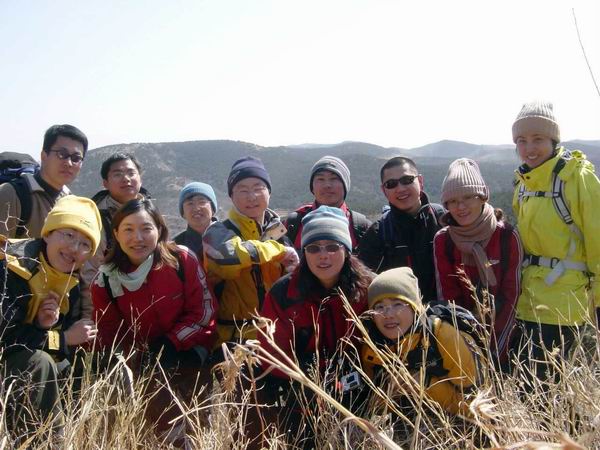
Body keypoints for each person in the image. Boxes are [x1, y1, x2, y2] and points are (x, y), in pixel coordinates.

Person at [258, 206, 373, 446]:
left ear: (346, 250)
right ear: (304, 252)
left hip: (364, 389)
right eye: (313, 248)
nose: (323, 255)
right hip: (304, 392)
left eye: (332, 247)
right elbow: (271, 353)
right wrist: (312, 376)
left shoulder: (369, 289)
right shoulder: (284, 294)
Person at [510, 101, 600, 383]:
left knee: (549, 385)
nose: (529, 148)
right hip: (527, 299)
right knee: (528, 384)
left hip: (565, 303)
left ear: (553, 140)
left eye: (538, 139)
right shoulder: (524, 183)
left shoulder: (577, 178)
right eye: (521, 141)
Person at [0, 195, 101, 439]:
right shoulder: (9, 267)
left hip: (15, 365)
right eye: (69, 235)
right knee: (39, 362)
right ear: (47, 234)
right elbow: (6, 340)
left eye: (85, 244)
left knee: (86, 365)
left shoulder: (70, 283)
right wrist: (63, 338)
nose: (74, 248)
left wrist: (42, 326)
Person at [92, 198, 216, 366]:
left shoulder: (182, 260)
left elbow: (204, 312)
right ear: (116, 234)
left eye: (146, 229)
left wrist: (170, 343)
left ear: (159, 230)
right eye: (128, 229)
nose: (138, 238)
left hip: (188, 352)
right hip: (140, 364)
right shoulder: (106, 280)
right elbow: (108, 332)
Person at [361, 267, 484, 425]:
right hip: (410, 427)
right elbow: (371, 409)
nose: (388, 314)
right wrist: (389, 391)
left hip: (460, 427)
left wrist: (425, 384)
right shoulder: (372, 348)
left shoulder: (443, 336)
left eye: (398, 304)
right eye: (379, 307)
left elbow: (479, 407)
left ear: (415, 308)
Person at [433, 158, 522, 368]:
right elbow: (449, 299)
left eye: (468, 197)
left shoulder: (506, 236)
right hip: (464, 342)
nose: (460, 207)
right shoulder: (444, 240)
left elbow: (512, 297)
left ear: (483, 196)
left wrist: (495, 352)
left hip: (508, 340)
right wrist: (468, 348)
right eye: (452, 201)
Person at [203, 156, 298, 349]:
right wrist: (278, 250)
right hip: (234, 341)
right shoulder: (217, 232)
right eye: (243, 190)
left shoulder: (279, 233)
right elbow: (229, 258)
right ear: (231, 196)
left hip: (278, 337)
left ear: (269, 192)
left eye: (258, 188)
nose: (252, 196)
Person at [359, 156, 444, 302]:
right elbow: (363, 279)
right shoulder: (378, 233)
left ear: (420, 181)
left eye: (407, 180)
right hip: (399, 314)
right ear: (384, 190)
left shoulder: (443, 219)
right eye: (391, 184)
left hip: (450, 313)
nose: (400, 189)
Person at [79, 152, 149, 320]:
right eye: (118, 174)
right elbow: (90, 274)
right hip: (110, 305)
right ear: (105, 183)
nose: (126, 178)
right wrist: (93, 318)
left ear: (140, 178)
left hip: (149, 302)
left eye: (131, 173)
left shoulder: (150, 211)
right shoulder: (96, 218)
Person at [0, 124, 88, 239]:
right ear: (44, 156)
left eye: (76, 158)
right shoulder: (11, 195)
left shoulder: (72, 203)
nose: (69, 163)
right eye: (62, 154)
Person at [284, 155, 371, 254]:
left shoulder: (362, 227)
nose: (327, 185)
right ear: (312, 187)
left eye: (334, 178)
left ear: (345, 186)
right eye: (320, 179)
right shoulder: (293, 223)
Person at [174, 181, 218, 263]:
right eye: (190, 203)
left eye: (202, 202)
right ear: (183, 213)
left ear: (212, 209)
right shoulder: (175, 247)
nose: (196, 208)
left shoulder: (231, 235)